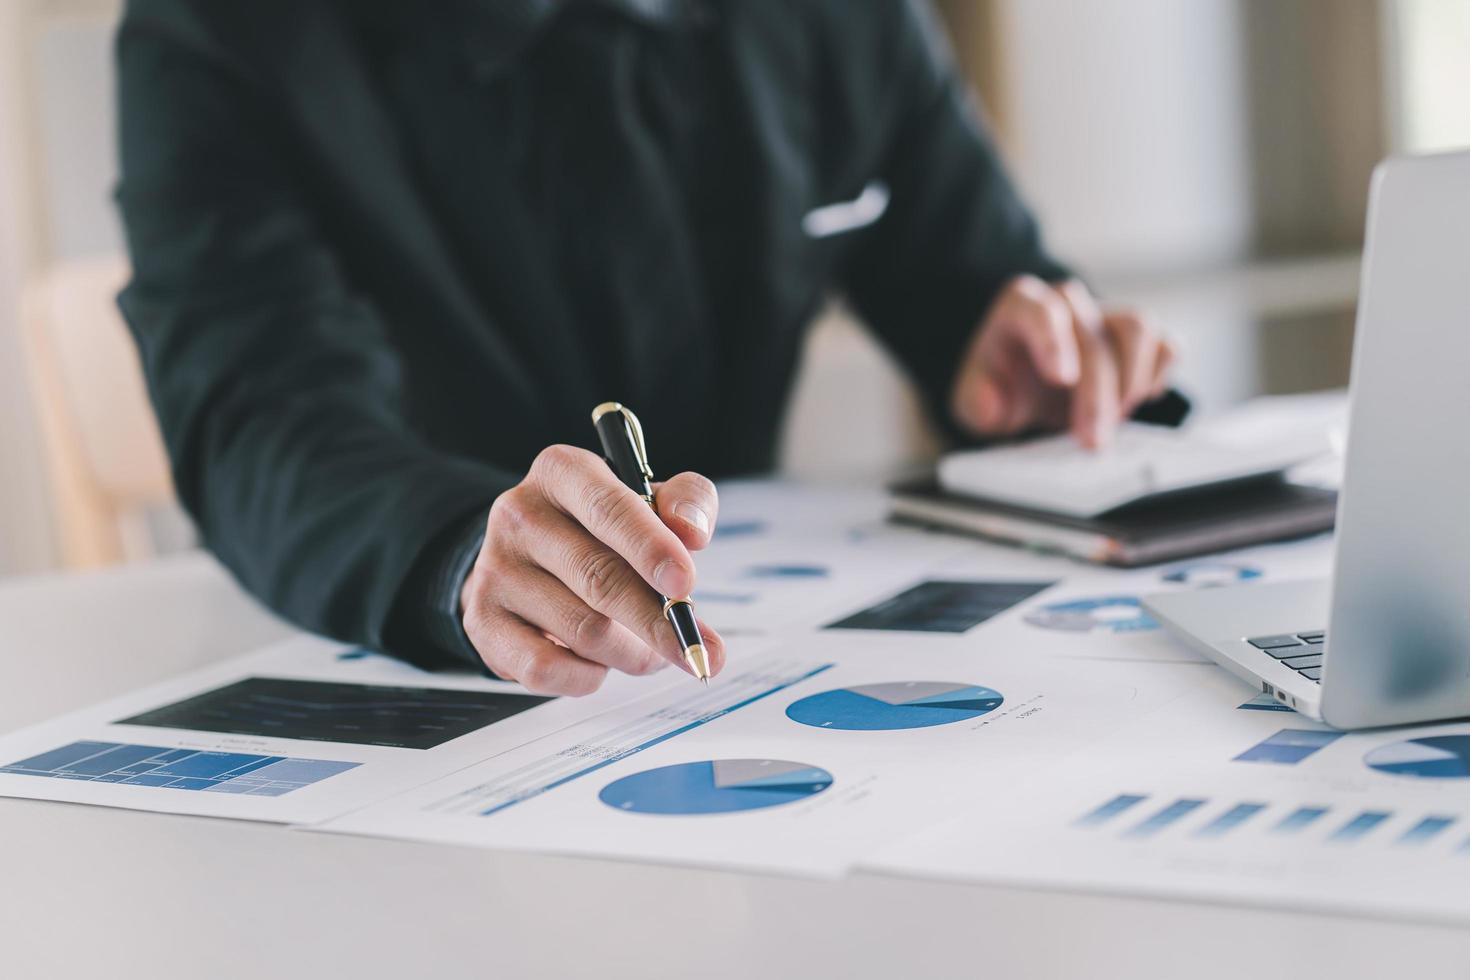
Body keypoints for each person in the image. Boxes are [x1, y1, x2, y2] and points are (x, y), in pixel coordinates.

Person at [115, 0, 1174, 696]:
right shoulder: (217, 33)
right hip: (423, 692)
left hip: (750, 685)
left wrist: (1040, 367)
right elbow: (261, 417)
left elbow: (973, 267)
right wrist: (460, 553)